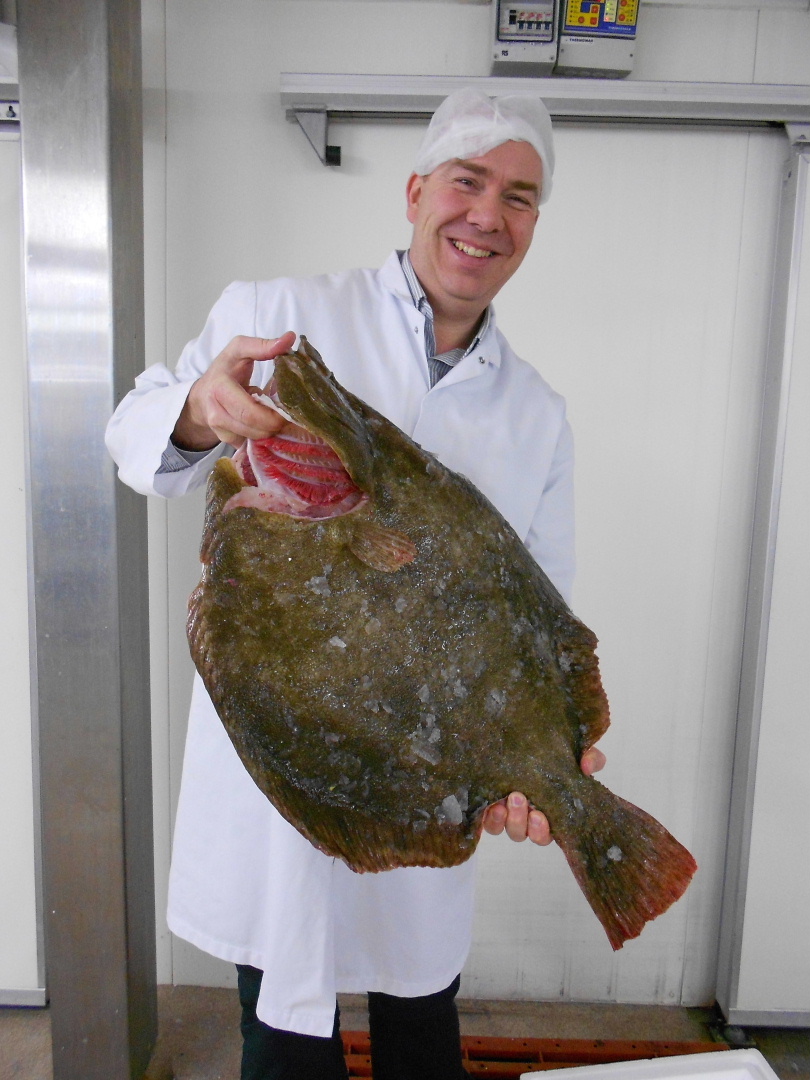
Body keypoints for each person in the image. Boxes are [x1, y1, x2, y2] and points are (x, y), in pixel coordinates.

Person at [106, 87, 605, 1080]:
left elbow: (543, 605)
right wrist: (203, 411)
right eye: (467, 181)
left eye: (519, 196)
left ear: (533, 225)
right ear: (417, 190)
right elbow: (137, 424)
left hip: (419, 757)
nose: (487, 216)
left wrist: (553, 751)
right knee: (285, 1030)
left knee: (420, 1017)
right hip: (290, 749)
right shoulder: (278, 317)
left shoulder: (537, 411)